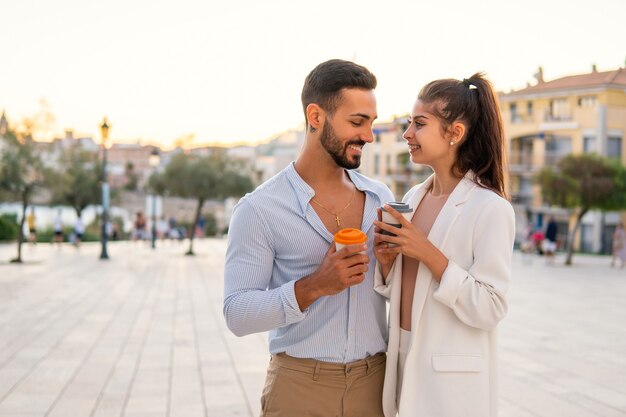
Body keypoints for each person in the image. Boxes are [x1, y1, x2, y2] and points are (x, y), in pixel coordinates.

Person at [223, 59, 394, 416]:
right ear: (316, 117)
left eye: (371, 123)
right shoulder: (259, 209)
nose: (368, 135)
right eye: (357, 122)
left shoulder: (380, 199)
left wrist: (392, 269)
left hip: (375, 387)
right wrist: (314, 286)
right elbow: (237, 314)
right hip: (298, 390)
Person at [373, 73, 515, 417]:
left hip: (449, 381)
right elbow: (409, 291)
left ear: (455, 133)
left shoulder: (491, 208)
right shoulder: (412, 198)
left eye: (419, 124)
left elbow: (490, 307)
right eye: (409, 123)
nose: (407, 134)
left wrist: (427, 253)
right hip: (403, 357)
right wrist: (388, 262)